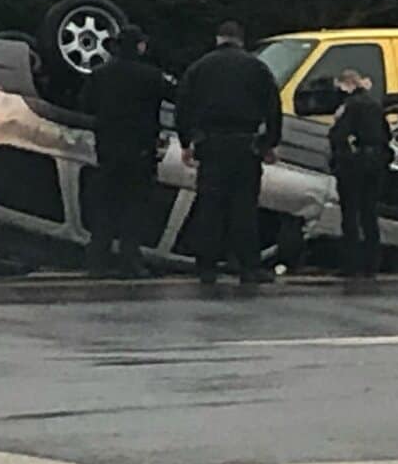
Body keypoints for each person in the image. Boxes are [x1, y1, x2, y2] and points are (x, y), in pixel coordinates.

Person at [176, 20, 282, 285]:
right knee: (244, 208)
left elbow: (183, 106)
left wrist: (186, 142)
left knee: (210, 207)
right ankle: (247, 266)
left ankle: (207, 267)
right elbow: (273, 107)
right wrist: (268, 143)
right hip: (246, 145)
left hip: (211, 145)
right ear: (241, 40)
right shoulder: (256, 68)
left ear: (218, 39)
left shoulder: (200, 67)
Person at [79, 25, 175, 278]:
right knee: (134, 207)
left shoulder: (100, 74)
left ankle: (97, 261)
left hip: (108, 148)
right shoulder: (152, 76)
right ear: (139, 46)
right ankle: (129, 260)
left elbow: (86, 105)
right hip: (140, 150)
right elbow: (173, 97)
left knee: (106, 205)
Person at [329, 69, 391, 279]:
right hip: (376, 164)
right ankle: (372, 263)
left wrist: (339, 158)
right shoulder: (375, 105)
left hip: (354, 165)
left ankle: (351, 264)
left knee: (350, 214)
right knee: (369, 213)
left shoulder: (349, 107)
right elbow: (386, 135)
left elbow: (339, 136)